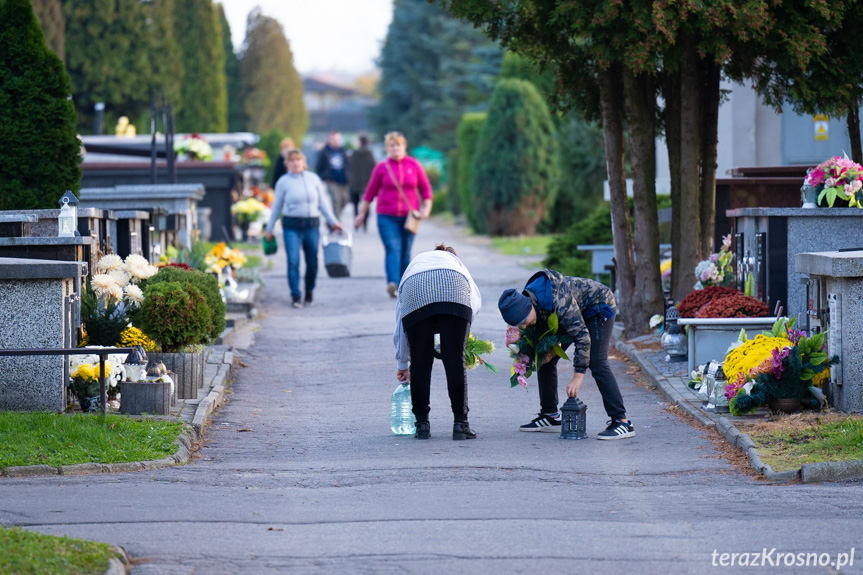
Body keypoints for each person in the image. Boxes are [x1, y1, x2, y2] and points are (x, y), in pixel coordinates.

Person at [497, 269, 635, 440]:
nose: (524, 326)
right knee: (545, 358)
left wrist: (578, 376)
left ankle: (622, 421)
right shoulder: (530, 301)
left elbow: (582, 336)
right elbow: (544, 329)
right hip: (571, 313)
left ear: (529, 306)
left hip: (596, 305)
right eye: (520, 325)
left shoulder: (558, 300)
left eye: (524, 321)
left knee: (596, 361)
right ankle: (550, 415)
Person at [393, 244, 482, 440]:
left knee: (420, 362)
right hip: (454, 290)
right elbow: (474, 301)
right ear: (451, 255)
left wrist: (403, 362)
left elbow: (401, 322)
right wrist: (462, 336)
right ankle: (461, 423)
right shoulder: (456, 265)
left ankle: (422, 425)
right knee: (454, 362)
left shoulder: (416, 264)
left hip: (416, 291)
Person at [355, 131, 433, 298]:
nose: (395, 148)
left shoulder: (414, 165)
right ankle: (393, 283)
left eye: (398, 145)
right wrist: (361, 214)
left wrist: (426, 209)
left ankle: (404, 285)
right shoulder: (382, 168)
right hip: (386, 216)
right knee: (393, 248)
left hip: (410, 218)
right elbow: (370, 193)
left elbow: (426, 190)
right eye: (391, 145)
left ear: (404, 146)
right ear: (387, 148)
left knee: (405, 252)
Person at [265, 149, 343, 309]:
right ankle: (295, 294)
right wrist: (269, 228)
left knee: (312, 261)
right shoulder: (283, 182)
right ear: (287, 164)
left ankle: (309, 290)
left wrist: (333, 221)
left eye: (298, 160)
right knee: (293, 261)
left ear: (303, 162)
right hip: (291, 226)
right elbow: (276, 207)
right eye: (292, 160)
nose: (295, 163)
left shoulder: (314, 179)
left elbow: (323, 204)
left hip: (312, 226)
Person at [314, 131, 350, 219]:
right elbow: (318, 167)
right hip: (332, 181)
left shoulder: (342, 150)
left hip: (344, 181)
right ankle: (336, 224)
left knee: (345, 201)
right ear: (329, 139)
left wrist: (349, 177)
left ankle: (331, 220)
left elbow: (349, 165)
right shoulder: (324, 152)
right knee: (336, 201)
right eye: (334, 139)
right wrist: (324, 178)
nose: (336, 141)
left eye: (338, 139)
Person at [348, 134, 376, 231]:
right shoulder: (369, 154)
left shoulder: (354, 154)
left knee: (355, 205)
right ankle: (365, 224)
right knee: (366, 203)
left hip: (355, 183)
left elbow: (349, 167)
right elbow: (374, 168)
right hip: (367, 183)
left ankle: (357, 222)